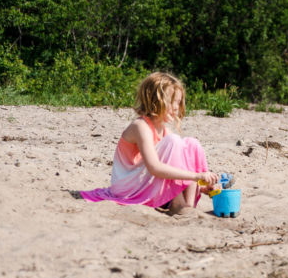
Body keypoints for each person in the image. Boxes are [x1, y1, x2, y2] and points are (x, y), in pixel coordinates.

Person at [80, 72, 219, 214]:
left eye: (178, 102)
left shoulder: (164, 131)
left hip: (146, 182)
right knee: (174, 141)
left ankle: (187, 205)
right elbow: (154, 168)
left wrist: (200, 186)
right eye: (171, 101)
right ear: (155, 101)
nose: (176, 107)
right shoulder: (140, 126)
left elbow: (180, 165)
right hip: (127, 187)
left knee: (191, 144)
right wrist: (195, 176)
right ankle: (178, 203)